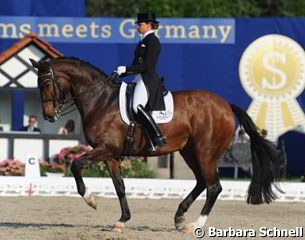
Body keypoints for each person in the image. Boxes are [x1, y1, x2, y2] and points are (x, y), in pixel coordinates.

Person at [114, 12, 166, 152]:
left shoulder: (152, 41)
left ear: (149, 25)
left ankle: (157, 137)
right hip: (139, 78)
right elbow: (136, 65)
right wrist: (121, 73)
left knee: (137, 106)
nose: (138, 27)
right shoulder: (142, 41)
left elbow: (147, 66)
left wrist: (126, 68)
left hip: (147, 79)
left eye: (140, 24)